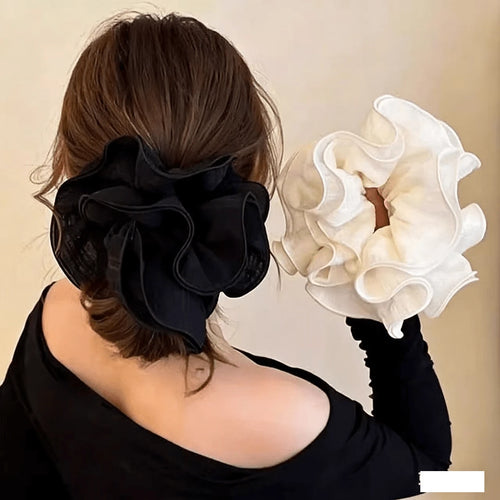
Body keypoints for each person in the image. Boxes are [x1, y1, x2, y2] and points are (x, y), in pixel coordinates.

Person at [0, 11, 451, 499]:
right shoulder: (285, 420)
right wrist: (376, 270)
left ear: (74, 168)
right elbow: (435, 473)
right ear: (250, 178)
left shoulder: (53, 319)